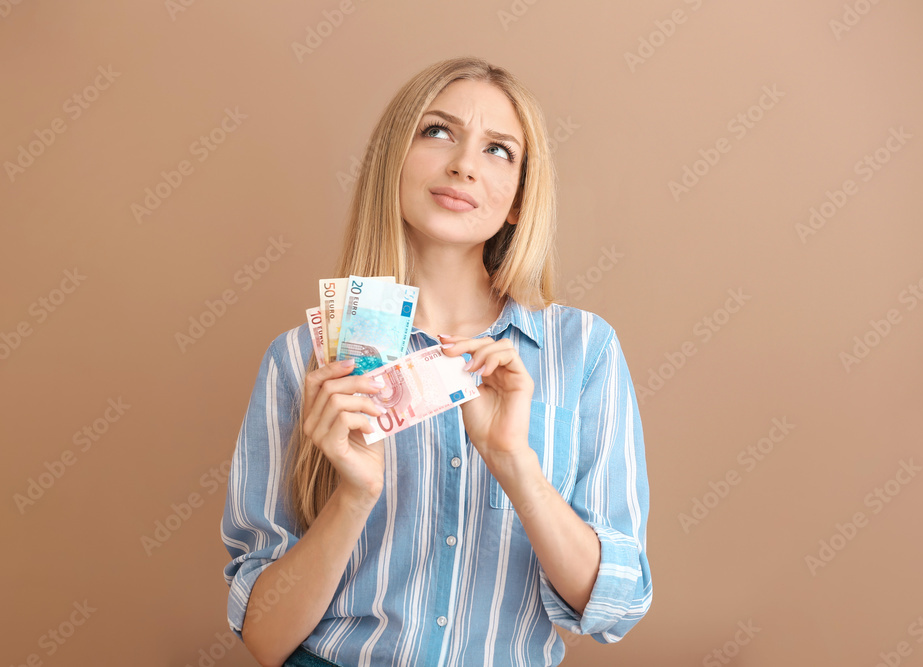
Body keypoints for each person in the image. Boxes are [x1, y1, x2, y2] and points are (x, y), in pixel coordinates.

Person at [220, 55, 652, 667]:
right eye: (438, 131)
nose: (464, 165)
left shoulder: (585, 352)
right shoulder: (302, 361)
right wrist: (354, 495)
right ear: (391, 161)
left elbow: (616, 606)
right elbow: (263, 638)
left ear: (517, 202)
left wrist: (515, 466)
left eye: (499, 149)